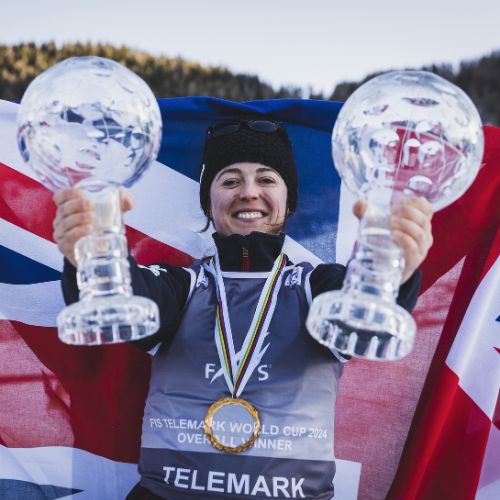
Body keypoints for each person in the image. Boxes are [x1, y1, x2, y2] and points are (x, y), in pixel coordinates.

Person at [54, 119, 433, 499]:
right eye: (230, 181)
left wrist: (393, 265)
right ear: (210, 201)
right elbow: (117, 302)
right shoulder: (182, 286)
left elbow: (369, 313)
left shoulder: (316, 288)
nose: (249, 192)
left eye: (267, 180)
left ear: (289, 200)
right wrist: (91, 251)